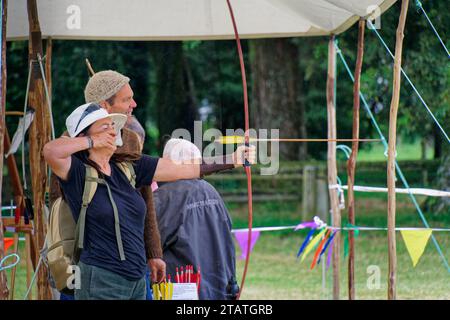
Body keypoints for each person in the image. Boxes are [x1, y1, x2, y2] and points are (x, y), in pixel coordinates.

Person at [43, 103, 255, 300]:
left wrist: (233, 160)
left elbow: (183, 168)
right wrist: (91, 142)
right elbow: (51, 151)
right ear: (83, 135)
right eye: (104, 127)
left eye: (113, 125)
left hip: (137, 280)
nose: (112, 130)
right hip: (100, 279)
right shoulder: (77, 174)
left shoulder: (128, 167)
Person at [49, 70, 165, 293]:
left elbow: (143, 196)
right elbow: (60, 204)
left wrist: (153, 252)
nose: (134, 104)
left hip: (132, 263)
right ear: (104, 104)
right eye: (126, 99)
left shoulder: (129, 138)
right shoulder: (71, 141)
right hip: (85, 261)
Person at [154, 139, 238, 300]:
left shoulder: (163, 197)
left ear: (168, 163)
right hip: (219, 284)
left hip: (182, 288)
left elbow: (150, 245)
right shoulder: (210, 190)